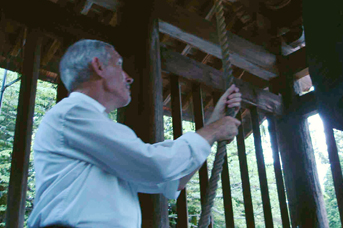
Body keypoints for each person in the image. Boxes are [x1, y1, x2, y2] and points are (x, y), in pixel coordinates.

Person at [27, 39, 241, 228]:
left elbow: (172, 181)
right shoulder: (73, 113)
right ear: (98, 66)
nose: (129, 77)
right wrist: (213, 130)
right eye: (120, 65)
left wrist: (213, 125)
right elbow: (156, 165)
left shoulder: (94, 135)